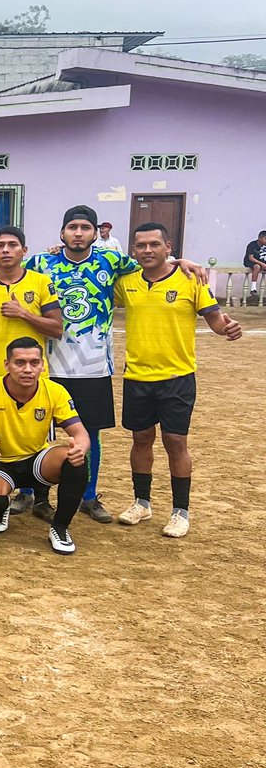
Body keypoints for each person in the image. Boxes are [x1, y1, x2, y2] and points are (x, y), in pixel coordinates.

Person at [25, 205, 209, 525]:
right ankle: (34, 495)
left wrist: (182, 261)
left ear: (96, 234)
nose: (78, 233)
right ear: (62, 233)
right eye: (72, 227)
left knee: (90, 434)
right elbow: (5, 270)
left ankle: (88, 496)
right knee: (37, 429)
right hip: (49, 364)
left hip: (94, 366)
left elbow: (151, 262)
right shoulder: (41, 262)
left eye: (85, 227)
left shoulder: (111, 261)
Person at [114, 222, 241, 538]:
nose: (147, 250)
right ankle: (142, 503)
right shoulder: (125, 282)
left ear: (168, 247)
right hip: (137, 377)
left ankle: (180, 512)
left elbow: (214, 319)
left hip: (177, 377)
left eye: (154, 244)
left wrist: (228, 327)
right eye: (141, 245)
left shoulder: (190, 279)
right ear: (133, 250)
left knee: (175, 442)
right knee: (141, 439)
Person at [0, 337, 91, 554]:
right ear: (7, 365)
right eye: (20, 363)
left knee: (76, 460)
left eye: (34, 363)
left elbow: (80, 434)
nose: (27, 369)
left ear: (43, 365)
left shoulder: (55, 391)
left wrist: (80, 448)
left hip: (37, 461)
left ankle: (60, 528)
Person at [0, 226, 63, 382]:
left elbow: (57, 329)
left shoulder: (41, 282)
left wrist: (23, 314)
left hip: (33, 372)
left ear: (24, 250)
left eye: (13, 245)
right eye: (0, 246)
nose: (6, 250)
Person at [243, 230, 266, 304]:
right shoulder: (252, 245)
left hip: (261, 262)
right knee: (257, 267)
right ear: (260, 238)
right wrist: (262, 264)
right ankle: (253, 288)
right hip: (251, 262)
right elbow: (251, 258)